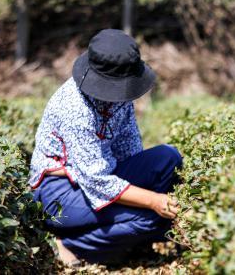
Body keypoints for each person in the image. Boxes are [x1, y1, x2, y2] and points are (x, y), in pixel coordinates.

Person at [28, 29, 183, 265]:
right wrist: (153, 200)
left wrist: (148, 191)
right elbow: (96, 180)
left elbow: (130, 151)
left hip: (99, 176)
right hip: (58, 192)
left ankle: (128, 237)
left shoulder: (121, 100)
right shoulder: (74, 109)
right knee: (150, 218)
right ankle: (71, 244)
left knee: (168, 157)